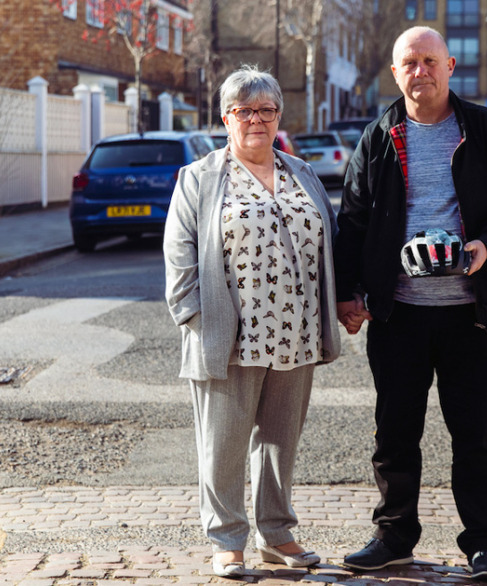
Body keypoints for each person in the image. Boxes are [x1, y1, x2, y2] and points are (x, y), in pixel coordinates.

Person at [333, 26, 487, 581]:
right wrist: (348, 293)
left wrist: (485, 247)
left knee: (474, 434)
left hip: (470, 312)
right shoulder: (377, 137)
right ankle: (394, 536)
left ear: (450, 66)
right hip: (398, 313)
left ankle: (484, 547)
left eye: (429, 60)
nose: (419, 71)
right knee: (395, 432)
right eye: (408, 63)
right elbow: (350, 221)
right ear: (394, 73)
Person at [163, 64, 341, 578]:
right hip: (229, 335)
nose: (255, 120)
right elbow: (180, 261)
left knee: (280, 442)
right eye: (244, 110)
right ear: (226, 118)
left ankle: (277, 532)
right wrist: (197, 318)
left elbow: (329, 242)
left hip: (297, 330)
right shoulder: (198, 179)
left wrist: (337, 305)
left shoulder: (301, 173)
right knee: (223, 444)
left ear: (278, 115)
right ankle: (226, 539)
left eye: (265, 110)